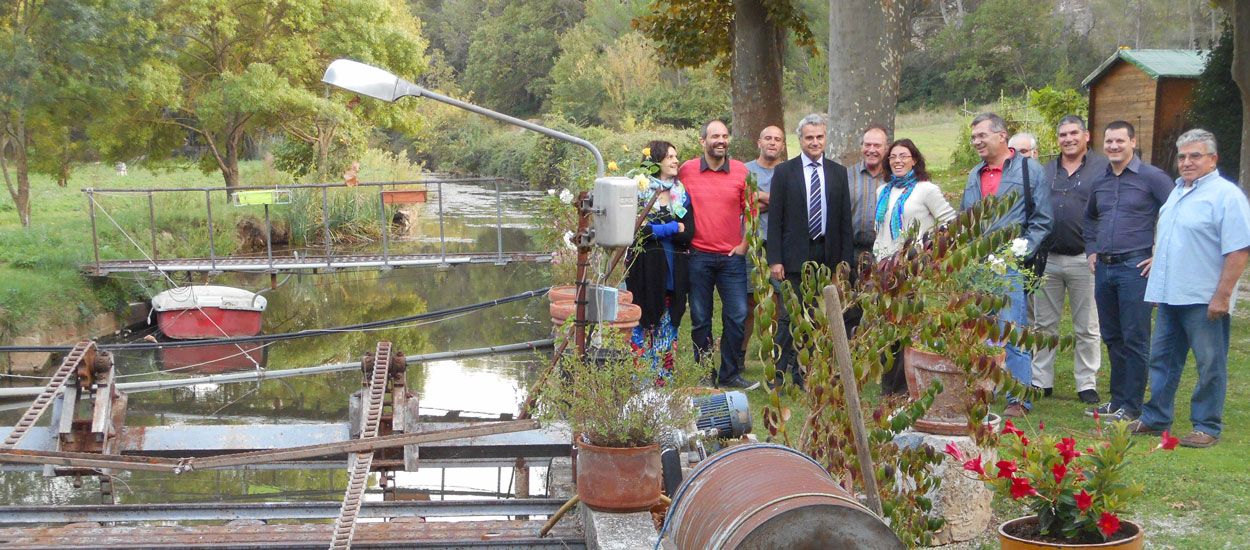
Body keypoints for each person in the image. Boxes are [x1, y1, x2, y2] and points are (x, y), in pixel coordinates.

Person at [1129, 129, 1250, 448]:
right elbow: (1175, 239)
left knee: (1210, 362)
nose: (1186, 162)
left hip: (1203, 298)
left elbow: (1239, 249)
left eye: (1195, 156)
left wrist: (1222, 295)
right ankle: (1156, 417)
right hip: (1170, 295)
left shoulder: (1226, 196)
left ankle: (1207, 425)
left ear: (1213, 159)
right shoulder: (1178, 192)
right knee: (1163, 360)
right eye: (1182, 156)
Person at [960, 113, 1052, 418]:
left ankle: (1018, 398)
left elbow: (1042, 219)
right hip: (977, 265)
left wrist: (1020, 251)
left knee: (1012, 328)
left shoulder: (1029, 170)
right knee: (979, 331)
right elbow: (966, 217)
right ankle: (983, 391)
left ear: (1002, 136)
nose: (976, 142)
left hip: (1010, 265)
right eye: (973, 137)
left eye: (981, 136)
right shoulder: (975, 174)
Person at [1083, 120, 1174, 423]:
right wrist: (1092, 250)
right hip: (1105, 269)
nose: (1113, 146)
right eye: (1108, 141)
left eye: (1120, 141)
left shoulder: (1153, 178)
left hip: (1136, 268)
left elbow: (1176, 217)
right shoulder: (1101, 180)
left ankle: (1133, 405)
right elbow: (1091, 219)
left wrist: (1159, 256)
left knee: (1135, 337)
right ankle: (1117, 399)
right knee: (1112, 335)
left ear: (1133, 142)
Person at [766, 113, 854, 390]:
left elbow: (844, 223)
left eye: (819, 137)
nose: (815, 142)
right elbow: (775, 220)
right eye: (809, 138)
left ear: (825, 138)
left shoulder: (838, 172)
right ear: (800, 140)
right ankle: (778, 374)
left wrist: (844, 265)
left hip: (826, 254)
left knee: (819, 317)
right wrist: (775, 260)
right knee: (789, 316)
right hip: (793, 256)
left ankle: (809, 374)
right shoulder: (784, 172)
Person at [1031, 115, 1107, 404]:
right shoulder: (1047, 169)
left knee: (1086, 325)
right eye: (1063, 134)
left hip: (1084, 259)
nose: (1068, 139)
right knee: (1043, 325)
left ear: (1086, 136)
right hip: (1048, 257)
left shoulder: (1101, 169)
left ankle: (1086, 382)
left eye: (1074, 133)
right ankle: (1041, 381)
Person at [872, 138, 956, 395]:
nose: (897, 161)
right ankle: (890, 387)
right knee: (888, 327)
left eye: (903, 156)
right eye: (893, 157)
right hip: (885, 268)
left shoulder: (926, 189)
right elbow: (881, 229)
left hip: (914, 268)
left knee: (909, 326)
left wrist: (928, 253)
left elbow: (950, 223)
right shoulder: (882, 190)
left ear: (914, 160)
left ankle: (908, 386)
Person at [678, 120, 754, 389]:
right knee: (700, 318)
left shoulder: (741, 171)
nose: (721, 140)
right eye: (715, 136)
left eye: (724, 136)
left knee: (737, 315)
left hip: (732, 257)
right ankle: (704, 373)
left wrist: (745, 244)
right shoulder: (686, 170)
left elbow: (753, 210)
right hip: (698, 256)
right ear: (703, 142)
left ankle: (730, 373)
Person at [626, 141, 695, 378]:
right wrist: (672, 226)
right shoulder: (640, 191)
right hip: (645, 272)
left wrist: (657, 229)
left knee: (668, 328)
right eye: (669, 157)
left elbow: (689, 233)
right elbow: (635, 231)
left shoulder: (681, 194)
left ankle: (663, 386)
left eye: (676, 156)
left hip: (673, 274)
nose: (676, 161)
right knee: (643, 326)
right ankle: (641, 384)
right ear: (655, 162)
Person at [742, 126, 785, 359]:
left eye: (777, 139)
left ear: (782, 145)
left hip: (779, 245)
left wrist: (761, 197)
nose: (772, 142)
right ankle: (740, 355)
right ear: (759, 142)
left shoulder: (788, 171)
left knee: (778, 300)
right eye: (767, 138)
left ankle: (775, 354)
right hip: (751, 244)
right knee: (749, 301)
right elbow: (745, 205)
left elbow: (789, 206)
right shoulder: (745, 170)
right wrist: (774, 202)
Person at [848, 127, 890, 262]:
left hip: (887, 252)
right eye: (867, 145)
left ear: (886, 148)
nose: (871, 150)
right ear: (861, 147)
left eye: (877, 145)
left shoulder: (894, 178)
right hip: (853, 252)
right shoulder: (846, 176)